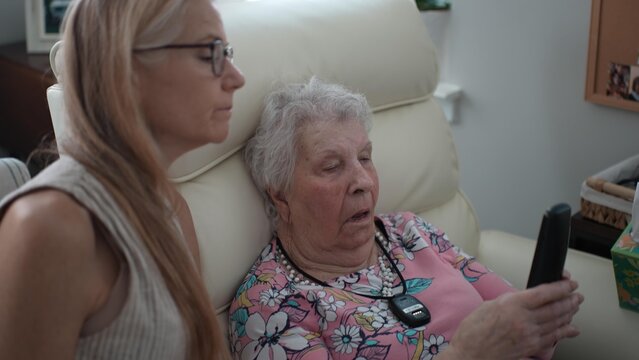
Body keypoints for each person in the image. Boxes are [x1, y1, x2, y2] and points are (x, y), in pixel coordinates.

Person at [230, 78, 582, 359]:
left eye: (365, 158)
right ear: (281, 195)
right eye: (332, 166)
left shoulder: (410, 231)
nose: (364, 182)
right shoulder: (270, 308)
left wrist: (542, 317)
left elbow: (523, 333)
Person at [0, 0, 244, 359]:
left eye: (228, 51)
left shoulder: (170, 206)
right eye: (210, 52)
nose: (237, 77)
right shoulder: (51, 226)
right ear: (126, 70)